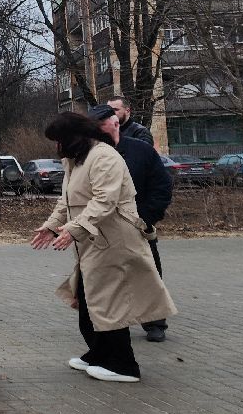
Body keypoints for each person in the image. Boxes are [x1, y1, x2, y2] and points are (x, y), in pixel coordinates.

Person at [32, 112, 175, 383]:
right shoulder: (76, 160)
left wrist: (73, 230)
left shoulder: (104, 156)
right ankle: (98, 354)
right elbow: (67, 201)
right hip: (94, 241)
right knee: (88, 301)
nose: (57, 147)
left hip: (114, 241)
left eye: (60, 140)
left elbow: (104, 201)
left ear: (76, 136)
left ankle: (123, 365)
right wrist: (52, 226)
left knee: (111, 303)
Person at [90, 105, 173, 342]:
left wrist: (145, 219)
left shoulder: (141, 150)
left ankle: (155, 322)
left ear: (116, 123)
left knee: (148, 274)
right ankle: (111, 324)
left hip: (138, 226)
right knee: (105, 278)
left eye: (104, 125)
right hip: (103, 229)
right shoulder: (90, 154)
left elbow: (162, 187)